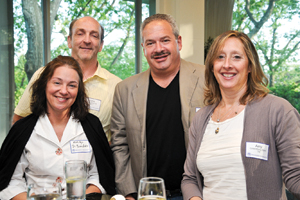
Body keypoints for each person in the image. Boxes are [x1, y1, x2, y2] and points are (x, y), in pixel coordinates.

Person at [181, 30, 300, 200]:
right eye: (220, 57)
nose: (227, 64)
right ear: (212, 66)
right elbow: (190, 179)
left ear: (250, 66)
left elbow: (295, 176)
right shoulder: (201, 118)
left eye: (236, 57)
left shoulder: (278, 110)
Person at [110, 13, 205, 200]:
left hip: (197, 194)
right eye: (150, 43)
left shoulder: (208, 79)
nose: (158, 49)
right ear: (143, 48)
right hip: (146, 195)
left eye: (165, 40)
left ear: (179, 42)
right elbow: (120, 145)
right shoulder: (125, 90)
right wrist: (128, 193)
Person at [0, 55, 116, 200]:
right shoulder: (22, 129)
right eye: (57, 83)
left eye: (72, 85)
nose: (64, 91)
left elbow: (100, 174)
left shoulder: (92, 126)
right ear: (45, 85)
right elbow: (10, 180)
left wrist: (79, 198)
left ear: (78, 91)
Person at [12, 16, 121, 141]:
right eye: (80, 34)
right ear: (69, 41)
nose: (87, 40)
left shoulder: (117, 86)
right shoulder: (43, 75)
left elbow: (119, 137)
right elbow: (19, 121)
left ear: (101, 45)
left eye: (94, 36)